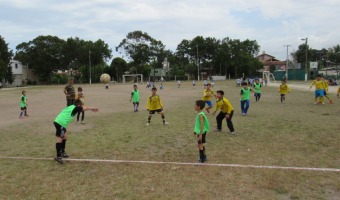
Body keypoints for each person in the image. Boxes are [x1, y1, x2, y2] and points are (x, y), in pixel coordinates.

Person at [53, 99, 98, 164]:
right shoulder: (75, 108)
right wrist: (93, 108)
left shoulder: (71, 107)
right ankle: (58, 156)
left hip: (59, 122)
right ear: (79, 105)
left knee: (65, 136)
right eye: (81, 105)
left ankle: (62, 152)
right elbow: (84, 108)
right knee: (59, 138)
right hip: (60, 123)